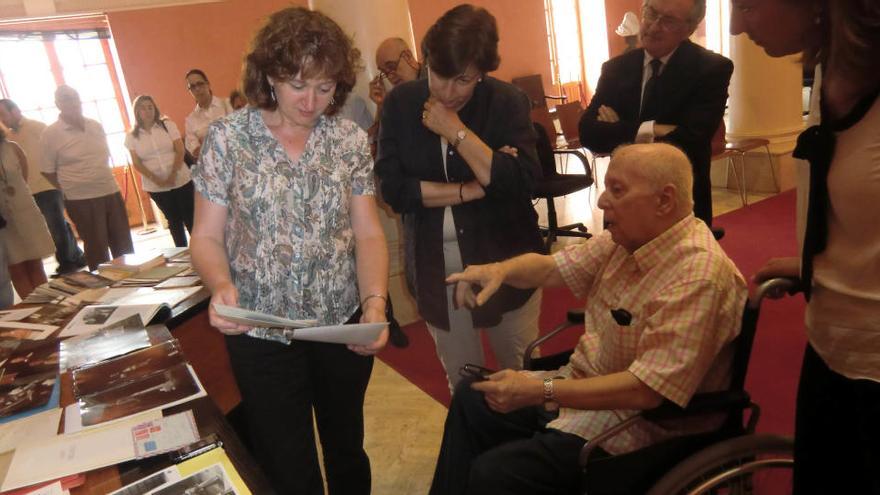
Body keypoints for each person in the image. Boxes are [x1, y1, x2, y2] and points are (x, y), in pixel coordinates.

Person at [430, 143, 747, 495]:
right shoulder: (626, 241)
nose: (601, 201)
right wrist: (499, 271)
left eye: (618, 190)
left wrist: (540, 390)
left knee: (495, 473)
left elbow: (646, 392)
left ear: (665, 201)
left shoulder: (698, 276)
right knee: (471, 399)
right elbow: (550, 269)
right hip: (586, 388)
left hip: (646, 425)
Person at [189, 7, 388, 494]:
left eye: (325, 87)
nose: (312, 100)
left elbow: (367, 233)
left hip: (340, 323)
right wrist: (220, 285)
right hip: (259, 329)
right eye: (299, 84)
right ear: (270, 73)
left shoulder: (347, 140)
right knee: (287, 461)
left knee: (346, 448)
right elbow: (207, 237)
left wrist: (376, 302)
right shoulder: (228, 139)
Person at [735, 1, 880, 493]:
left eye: (746, 4)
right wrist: (813, 263)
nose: (736, 23)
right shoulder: (827, 70)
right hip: (830, 349)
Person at [376, 5, 544, 392]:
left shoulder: (507, 101)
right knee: (462, 379)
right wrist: (473, 186)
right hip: (437, 267)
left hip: (505, 259)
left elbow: (521, 183)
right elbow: (394, 190)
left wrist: (456, 132)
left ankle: (525, 451)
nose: (447, 92)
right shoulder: (401, 104)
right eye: (438, 76)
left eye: (463, 81)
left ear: (482, 73)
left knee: (519, 376)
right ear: (426, 61)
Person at [578, 0, 733, 229]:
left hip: (677, 204)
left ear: (689, 29)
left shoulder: (711, 69)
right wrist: (651, 129)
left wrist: (619, 128)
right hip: (622, 201)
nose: (654, 26)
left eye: (668, 20)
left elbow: (691, 140)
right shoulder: (616, 68)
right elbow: (589, 133)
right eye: (651, 13)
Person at [40, 85, 133, 271]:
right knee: (97, 248)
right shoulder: (50, 134)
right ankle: (104, 292)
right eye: (65, 99)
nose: (71, 102)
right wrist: (70, 187)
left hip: (110, 190)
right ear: (57, 104)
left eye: (74, 97)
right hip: (81, 198)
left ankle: (131, 282)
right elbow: (46, 170)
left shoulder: (94, 125)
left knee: (123, 242)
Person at [0, 99, 85, 275]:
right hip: (26, 191)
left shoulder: (37, 127)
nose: (1, 118)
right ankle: (76, 255)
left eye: (3, 114)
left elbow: (57, 151)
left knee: (56, 225)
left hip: (46, 184)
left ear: (15, 111)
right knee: (57, 224)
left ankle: (67, 263)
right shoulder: (6, 138)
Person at [125, 95, 194, 247]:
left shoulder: (167, 125)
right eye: (143, 108)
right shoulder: (131, 136)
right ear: (137, 111)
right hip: (156, 186)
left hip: (181, 179)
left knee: (190, 218)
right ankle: (182, 256)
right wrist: (156, 179)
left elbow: (180, 150)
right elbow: (136, 162)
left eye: (150, 107)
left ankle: (200, 253)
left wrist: (172, 174)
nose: (147, 111)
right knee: (174, 220)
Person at [0, 130, 53, 298]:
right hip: (3, 219)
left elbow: (23, 177)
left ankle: (48, 306)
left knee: (34, 261)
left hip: (24, 209)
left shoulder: (12, 148)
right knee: (16, 266)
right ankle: (32, 310)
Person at [183, 69, 233, 161]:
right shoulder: (190, 121)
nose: (197, 89)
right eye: (192, 87)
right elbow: (195, 150)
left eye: (200, 84)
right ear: (190, 91)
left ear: (208, 84)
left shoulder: (228, 104)